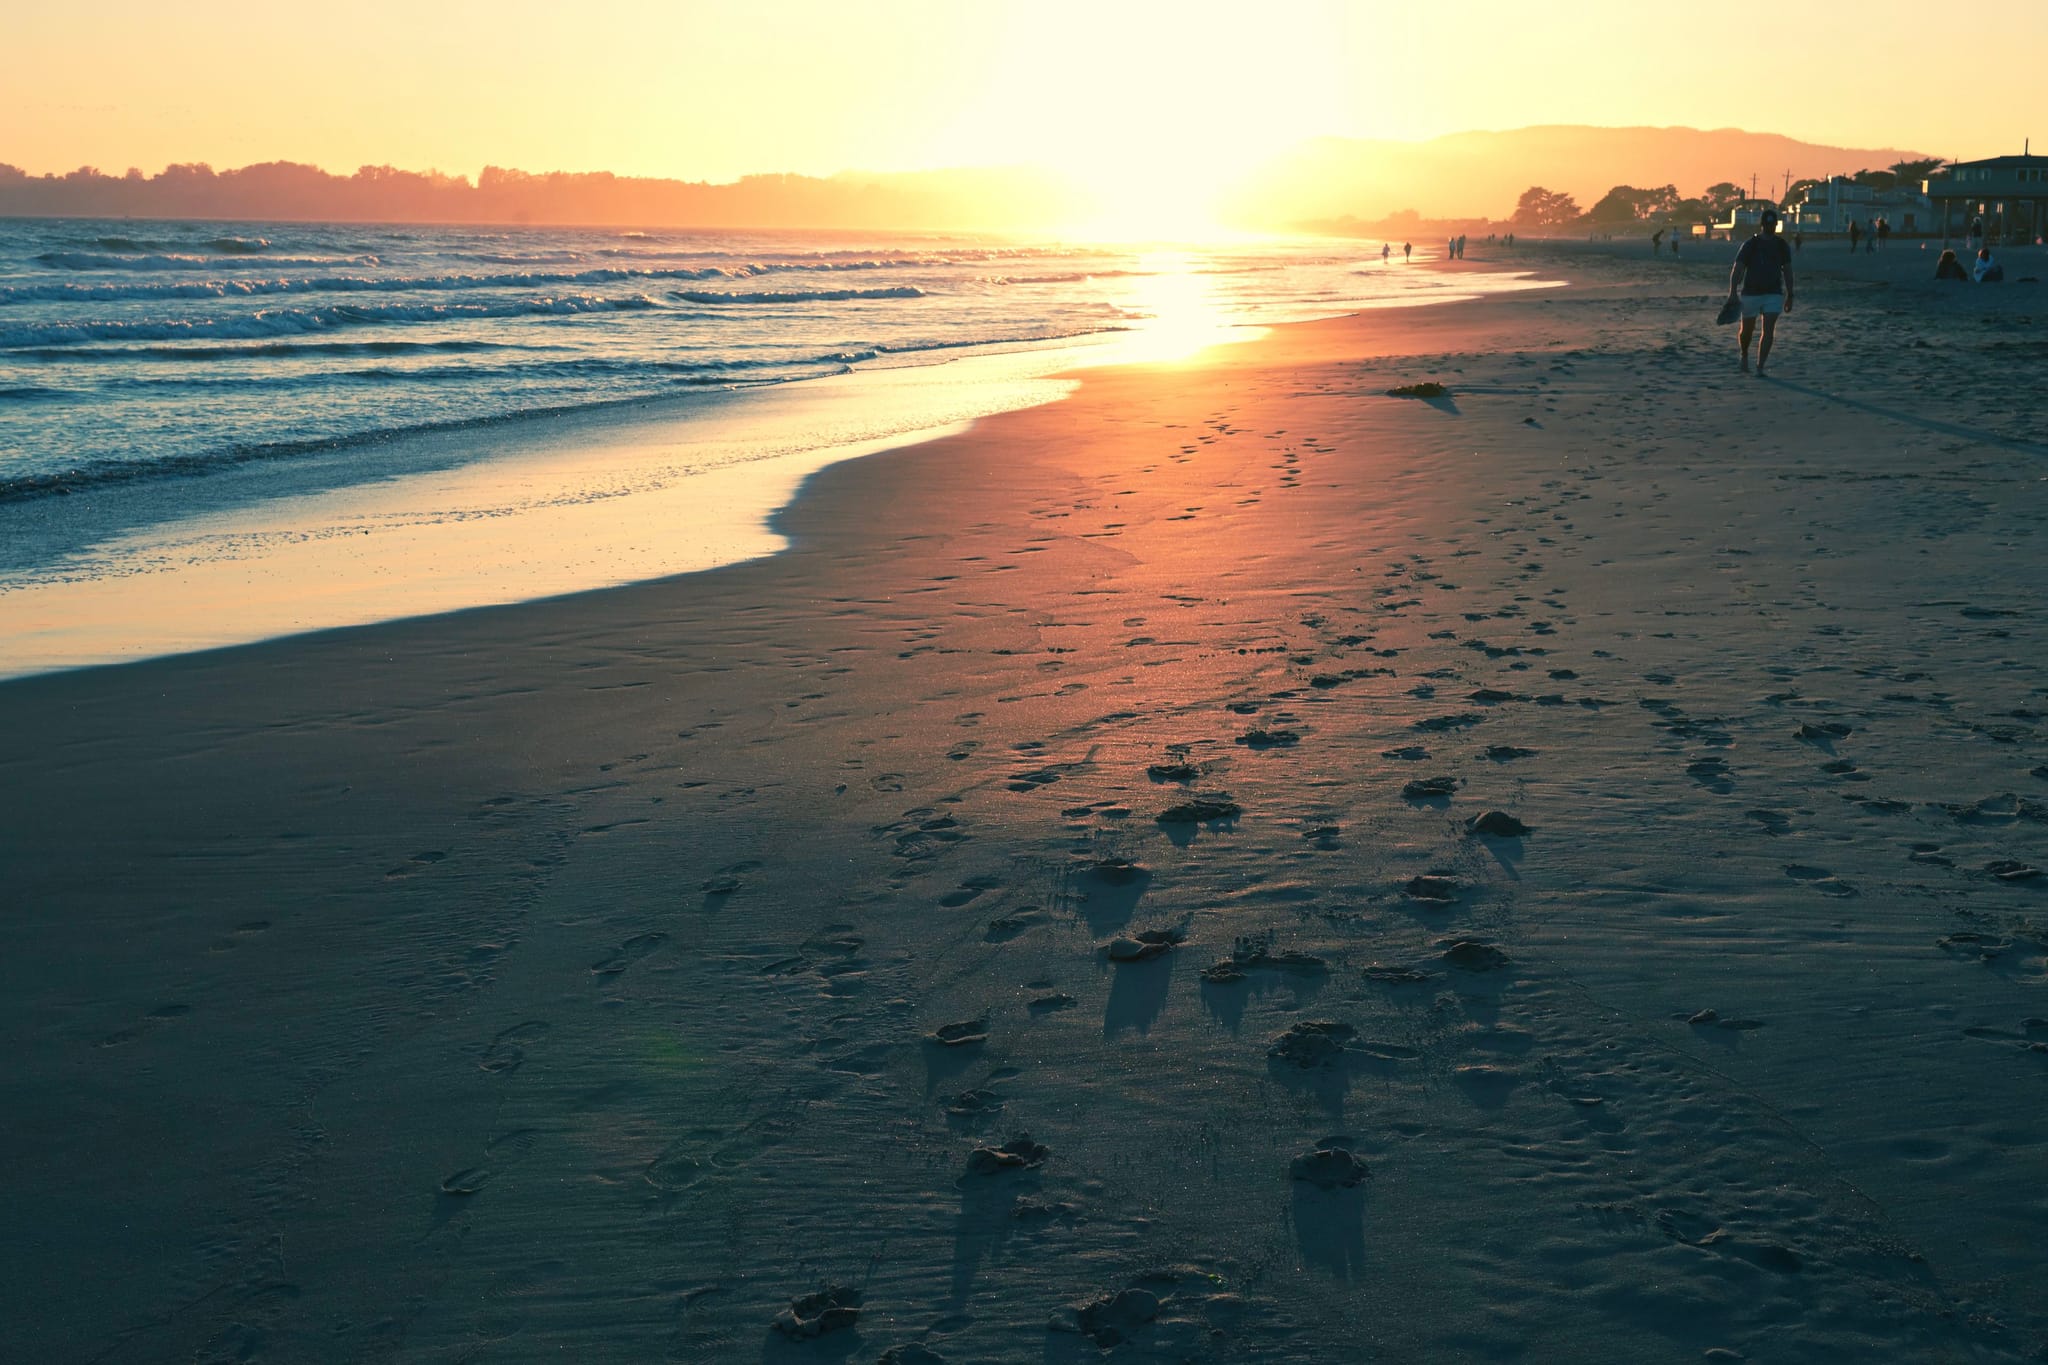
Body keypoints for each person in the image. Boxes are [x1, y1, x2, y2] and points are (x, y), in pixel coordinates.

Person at [1727, 207, 1795, 376]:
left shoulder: (1781, 245)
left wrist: (1790, 294)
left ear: (1776, 225)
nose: (1770, 227)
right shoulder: (1750, 244)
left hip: (1774, 293)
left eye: (1773, 224)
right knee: (1747, 330)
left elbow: (1787, 270)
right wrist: (1733, 292)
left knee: (1769, 330)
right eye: (1767, 224)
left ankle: (1760, 366)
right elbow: (1738, 268)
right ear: (1762, 225)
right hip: (1751, 293)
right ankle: (1744, 355)